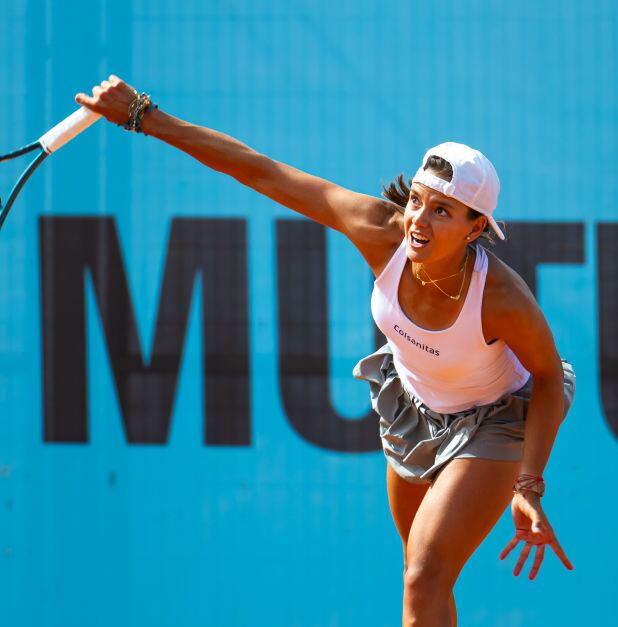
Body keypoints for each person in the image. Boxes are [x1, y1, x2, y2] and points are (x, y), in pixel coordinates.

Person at [75, 76, 575, 627]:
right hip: (415, 409)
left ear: (476, 227)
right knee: (423, 574)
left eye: (442, 211)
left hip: (497, 420)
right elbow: (259, 170)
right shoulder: (380, 234)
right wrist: (145, 115)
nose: (419, 220)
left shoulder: (501, 297)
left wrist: (528, 483)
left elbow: (550, 378)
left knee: (423, 577)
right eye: (416, 201)